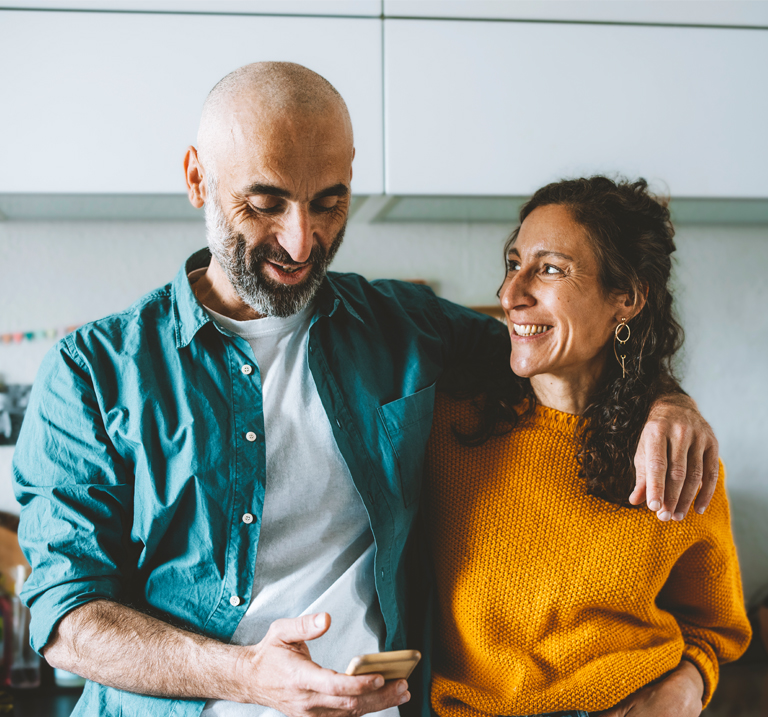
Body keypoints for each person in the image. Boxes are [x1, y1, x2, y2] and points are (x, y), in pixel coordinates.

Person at [13, 63, 717, 717]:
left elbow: (561, 353)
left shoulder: (406, 328)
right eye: (265, 204)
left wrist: (666, 398)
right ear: (198, 179)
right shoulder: (91, 370)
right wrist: (246, 674)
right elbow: (65, 618)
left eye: (329, 201)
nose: (300, 240)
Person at [424, 177, 751, 717]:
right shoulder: (447, 427)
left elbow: (714, 628)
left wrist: (688, 685)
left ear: (626, 299)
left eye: (550, 269)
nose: (511, 294)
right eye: (513, 263)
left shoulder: (675, 451)